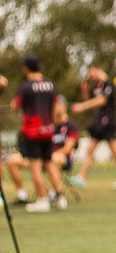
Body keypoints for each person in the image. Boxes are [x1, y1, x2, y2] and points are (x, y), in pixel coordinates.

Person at [10, 56, 68, 213]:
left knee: (35, 165)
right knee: (49, 163)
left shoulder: (25, 86)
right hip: (48, 130)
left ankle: (42, 199)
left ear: (26, 68)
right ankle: (60, 197)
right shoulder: (51, 85)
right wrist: (52, 123)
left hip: (33, 131)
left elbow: (15, 106)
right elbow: (57, 107)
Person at [6, 96, 79, 206]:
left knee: (54, 158)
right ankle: (22, 196)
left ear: (64, 107)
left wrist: (47, 156)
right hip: (40, 157)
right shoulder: (47, 124)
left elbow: (67, 149)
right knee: (12, 160)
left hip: (61, 158)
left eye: (56, 105)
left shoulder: (71, 126)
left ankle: (56, 194)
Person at [69, 62, 116, 190]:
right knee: (90, 151)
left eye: (92, 71)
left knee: (115, 151)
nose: (90, 75)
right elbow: (91, 101)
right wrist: (85, 91)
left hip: (108, 122)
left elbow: (101, 100)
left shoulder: (109, 84)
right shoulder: (96, 86)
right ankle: (81, 178)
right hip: (98, 121)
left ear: (99, 69)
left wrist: (81, 107)